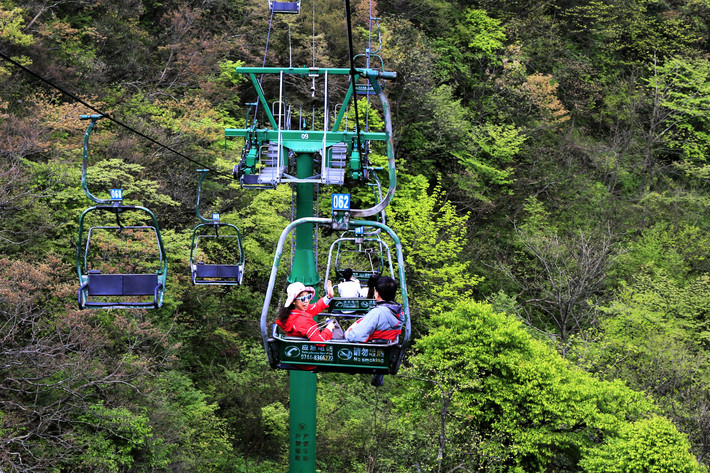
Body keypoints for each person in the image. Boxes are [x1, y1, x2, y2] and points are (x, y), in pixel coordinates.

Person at [344, 276, 404, 387]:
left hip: (368, 353)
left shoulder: (377, 313)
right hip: (384, 352)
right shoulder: (399, 313)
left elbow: (355, 336)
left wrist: (348, 333)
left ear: (377, 294)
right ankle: (379, 374)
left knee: (333, 327)